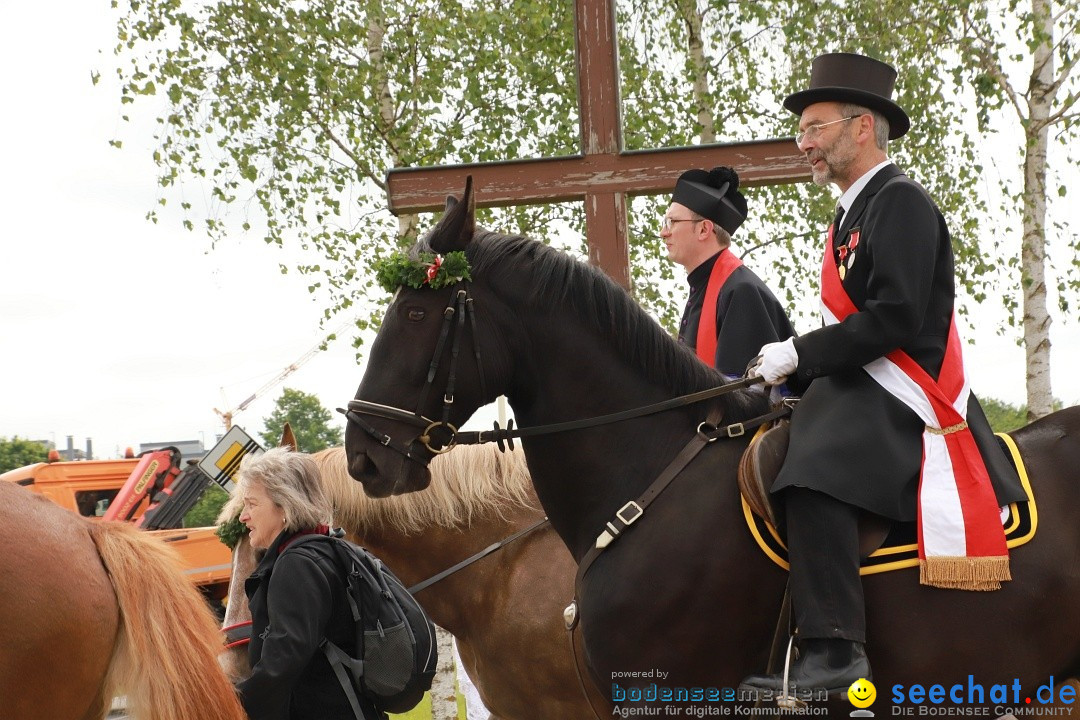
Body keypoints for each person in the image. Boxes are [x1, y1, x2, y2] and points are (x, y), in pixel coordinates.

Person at [741, 52, 1027, 693]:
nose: (805, 143)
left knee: (811, 474)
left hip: (908, 389)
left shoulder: (899, 203)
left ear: (861, 126)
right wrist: (792, 373)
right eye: (803, 131)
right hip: (868, 379)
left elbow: (896, 317)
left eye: (815, 128)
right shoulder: (853, 212)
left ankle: (835, 658)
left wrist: (801, 351)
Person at [235, 446, 385, 720]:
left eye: (252, 504)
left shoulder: (297, 564)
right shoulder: (324, 550)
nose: (243, 516)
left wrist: (230, 704)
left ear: (284, 506)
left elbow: (283, 661)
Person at [662, 165, 795, 377]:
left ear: (704, 229)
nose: (663, 232)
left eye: (672, 222)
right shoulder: (705, 287)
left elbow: (745, 396)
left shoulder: (740, 290)